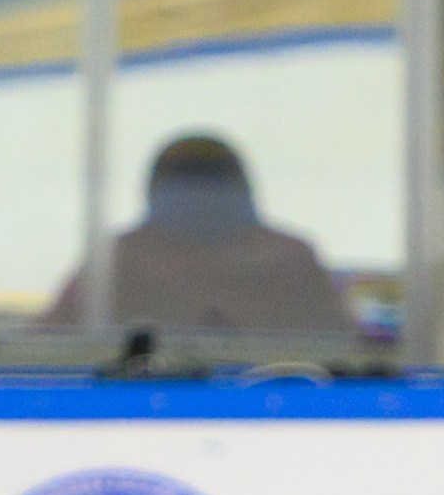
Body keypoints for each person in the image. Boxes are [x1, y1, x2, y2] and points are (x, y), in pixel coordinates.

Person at [40, 135, 351, 342]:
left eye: (211, 188)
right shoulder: (118, 261)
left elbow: (351, 355)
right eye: (189, 188)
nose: (201, 204)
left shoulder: (290, 261)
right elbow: (48, 351)